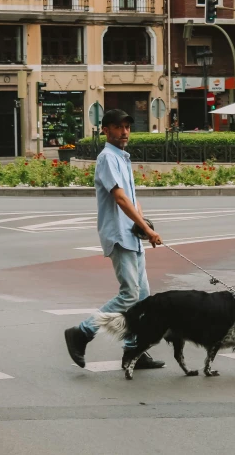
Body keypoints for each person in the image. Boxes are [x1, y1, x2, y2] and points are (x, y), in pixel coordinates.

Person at [64, 109, 166, 371]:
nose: (124, 132)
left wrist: (143, 224)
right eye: (118, 127)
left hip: (131, 234)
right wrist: (145, 228)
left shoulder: (122, 157)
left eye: (127, 127)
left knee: (142, 298)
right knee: (130, 293)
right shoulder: (107, 158)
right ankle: (82, 332)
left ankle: (133, 351)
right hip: (119, 236)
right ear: (105, 130)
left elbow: (132, 198)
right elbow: (120, 198)